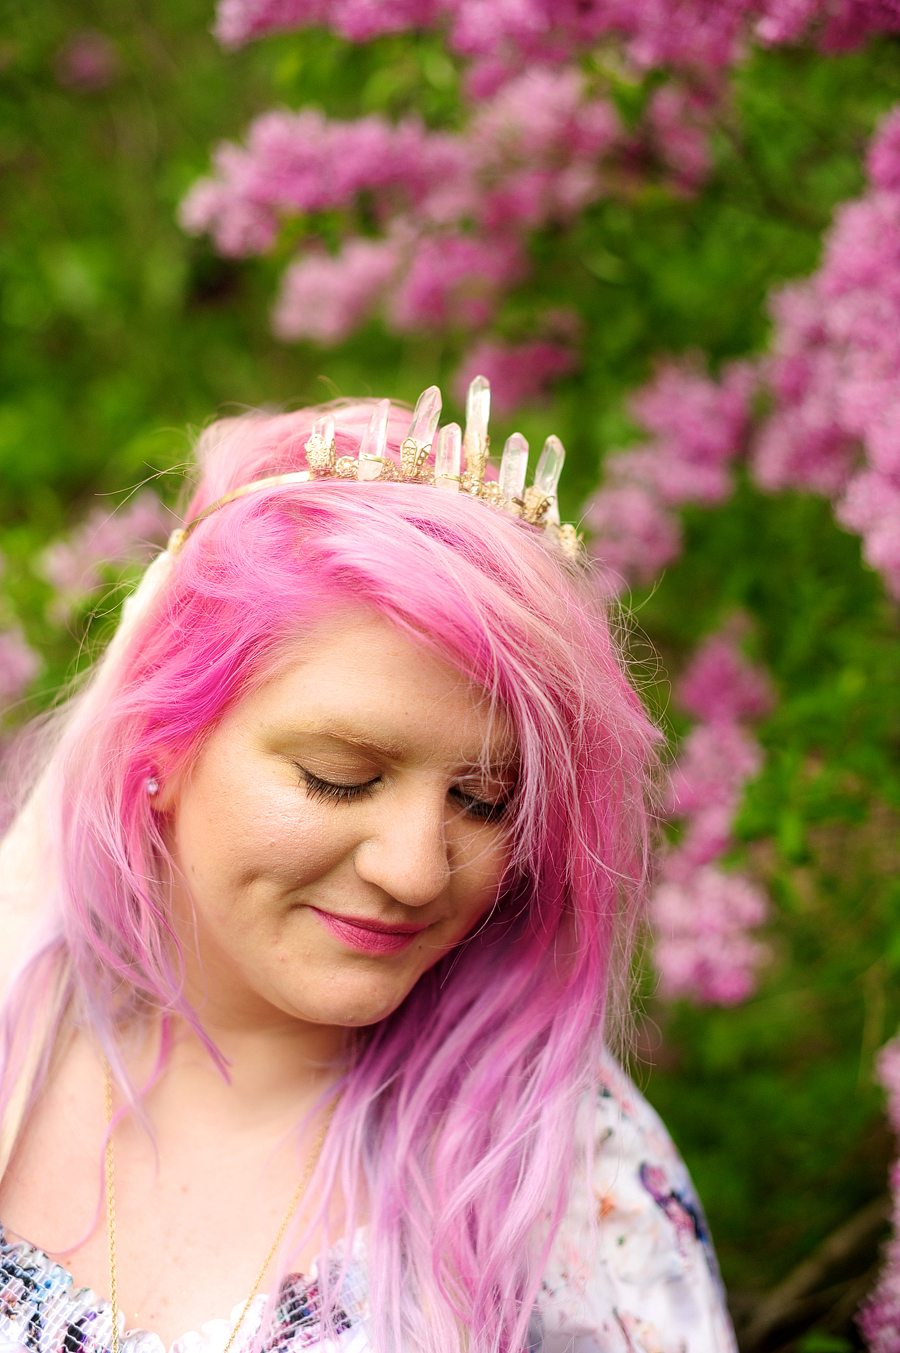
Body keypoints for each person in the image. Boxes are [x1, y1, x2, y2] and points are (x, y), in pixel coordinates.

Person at [0, 381, 737, 1353]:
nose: (417, 872)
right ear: (162, 748)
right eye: (339, 778)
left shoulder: (564, 1171)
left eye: (484, 802)